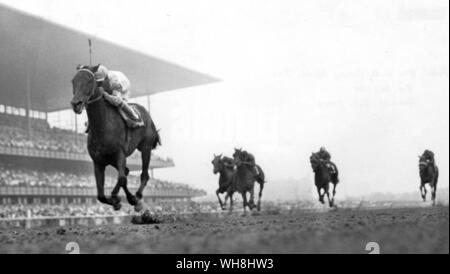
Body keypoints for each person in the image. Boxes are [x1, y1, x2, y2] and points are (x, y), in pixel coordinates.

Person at [83, 64, 143, 132]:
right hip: (109, 87)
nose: (99, 83)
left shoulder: (114, 81)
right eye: (98, 82)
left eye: (100, 82)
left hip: (122, 88)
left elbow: (115, 98)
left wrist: (106, 95)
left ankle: (134, 116)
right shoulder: (98, 76)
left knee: (117, 102)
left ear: (105, 77)